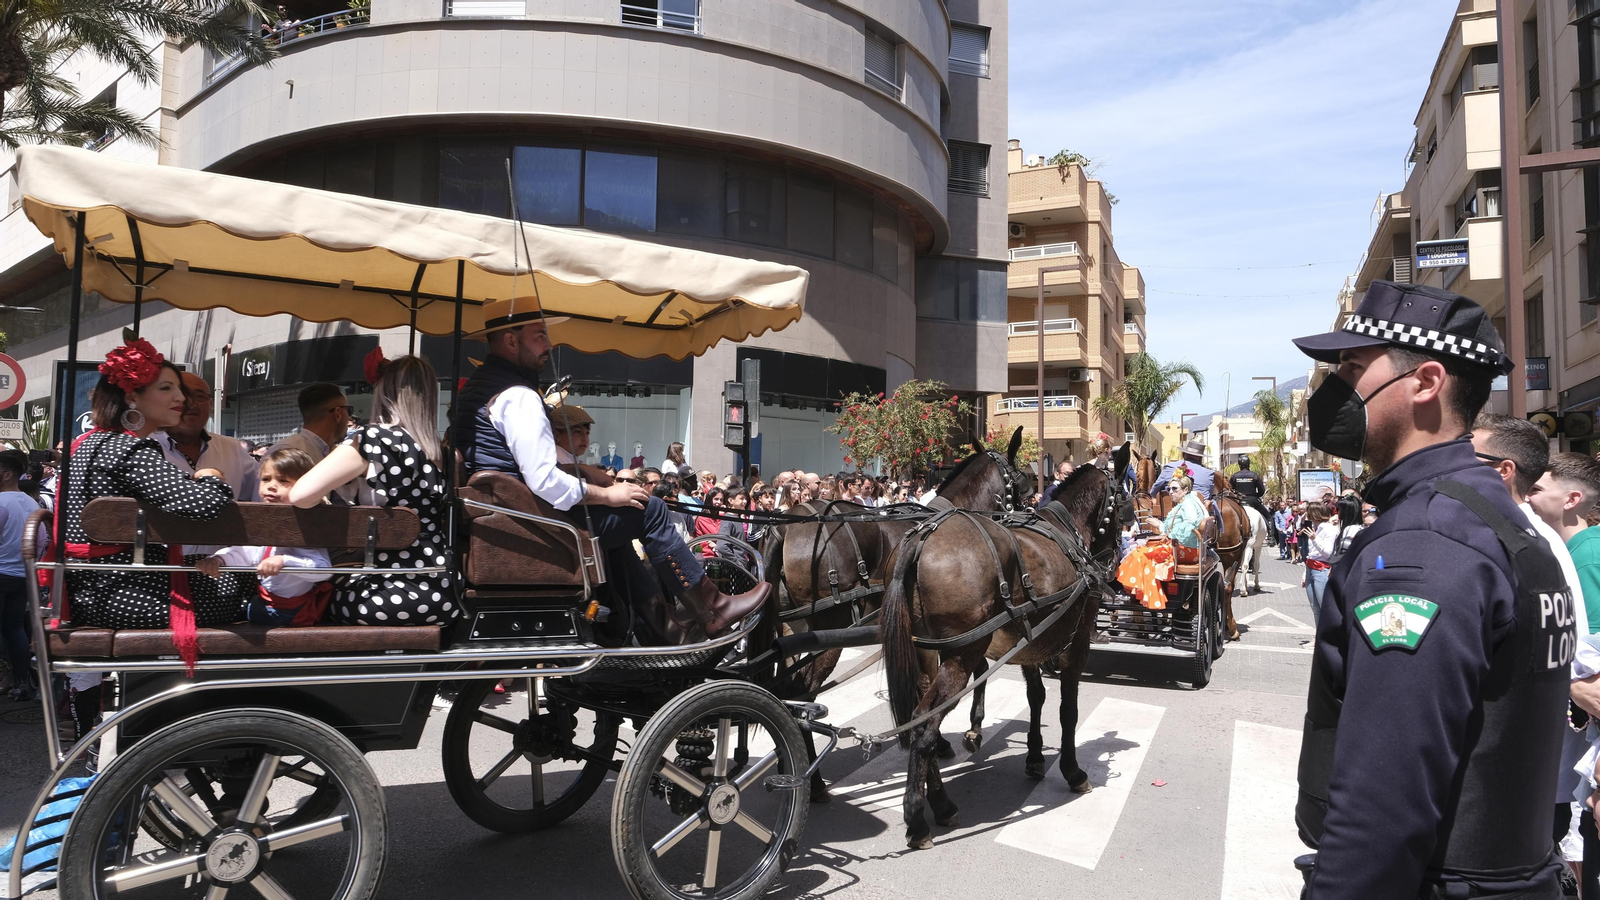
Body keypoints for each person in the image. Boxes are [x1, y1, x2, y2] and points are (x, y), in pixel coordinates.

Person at [1290, 280, 1574, 899]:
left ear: (1425, 382)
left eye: (1353, 367)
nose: (1333, 390)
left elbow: (1384, 806)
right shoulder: (1492, 518)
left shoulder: (1423, 544)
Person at [450, 296, 767, 637]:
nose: (549, 344)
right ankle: (712, 609)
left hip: (512, 517)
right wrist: (606, 494)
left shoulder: (480, 391)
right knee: (650, 509)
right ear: (511, 341)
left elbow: (524, 462)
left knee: (619, 530)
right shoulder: (518, 396)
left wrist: (589, 475)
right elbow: (542, 479)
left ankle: (665, 624)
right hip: (533, 521)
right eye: (539, 335)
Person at [60, 340, 238, 647]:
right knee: (246, 584)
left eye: (179, 388)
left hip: (92, 590)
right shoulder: (127, 448)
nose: (181, 398)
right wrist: (212, 475)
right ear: (132, 396)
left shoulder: (89, 443)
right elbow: (205, 504)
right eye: (167, 388)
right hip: (125, 595)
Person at [291, 355, 454, 626]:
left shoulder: (372, 440)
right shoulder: (440, 451)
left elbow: (300, 495)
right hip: (442, 590)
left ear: (383, 392)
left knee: (318, 592)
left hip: (383, 592)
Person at [197, 448, 333, 627]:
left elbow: (323, 570)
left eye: (283, 481)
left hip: (290, 613)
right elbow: (246, 553)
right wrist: (219, 559)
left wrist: (285, 561)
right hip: (265, 603)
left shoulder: (306, 526)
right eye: (266, 479)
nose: (271, 485)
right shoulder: (267, 520)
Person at [157, 372, 259, 502]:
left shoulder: (232, 449)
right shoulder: (143, 449)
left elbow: (262, 501)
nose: (191, 404)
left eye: (199, 397)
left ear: (210, 404)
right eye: (183, 395)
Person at [265, 382, 357, 503]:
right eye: (349, 411)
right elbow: (269, 509)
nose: (349, 419)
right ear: (338, 414)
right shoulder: (288, 451)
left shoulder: (335, 453)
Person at [0, 451, 40, 700]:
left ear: (6, 475)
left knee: (11, 629)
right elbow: (41, 541)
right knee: (14, 628)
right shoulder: (31, 503)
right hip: (24, 575)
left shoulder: (2, 503)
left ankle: (12, 677)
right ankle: (21, 680)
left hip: (3, 572)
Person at [1301, 501, 1338, 614]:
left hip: (1321, 570)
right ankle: (1319, 631)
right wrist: (1304, 573)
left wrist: (1314, 539)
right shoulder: (1314, 528)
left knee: (1324, 607)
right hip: (1310, 567)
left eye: (1308, 511)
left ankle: (1328, 632)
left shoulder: (1329, 529)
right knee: (1315, 607)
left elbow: (1328, 553)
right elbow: (1311, 553)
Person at [1162, 474, 1213, 552]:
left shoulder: (1188, 503)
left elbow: (1189, 524)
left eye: (1174, 488)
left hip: (1187, 550)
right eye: (1169, 489)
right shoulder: (1191, 499)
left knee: (1144, 555)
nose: (1171, 492)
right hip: (1189, 547)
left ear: (1185, 490)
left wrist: (1164, 531)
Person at [1229, 454, 1270, 521]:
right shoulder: (1254, 475)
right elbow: (1261, 491)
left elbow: (1230, 489)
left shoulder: (1234, 476)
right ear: (1248, 464)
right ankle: (1270, 531)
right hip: (1252, 500)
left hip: (1238, 500)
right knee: (1268, 517)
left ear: (1239, 465)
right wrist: (1256, 495)